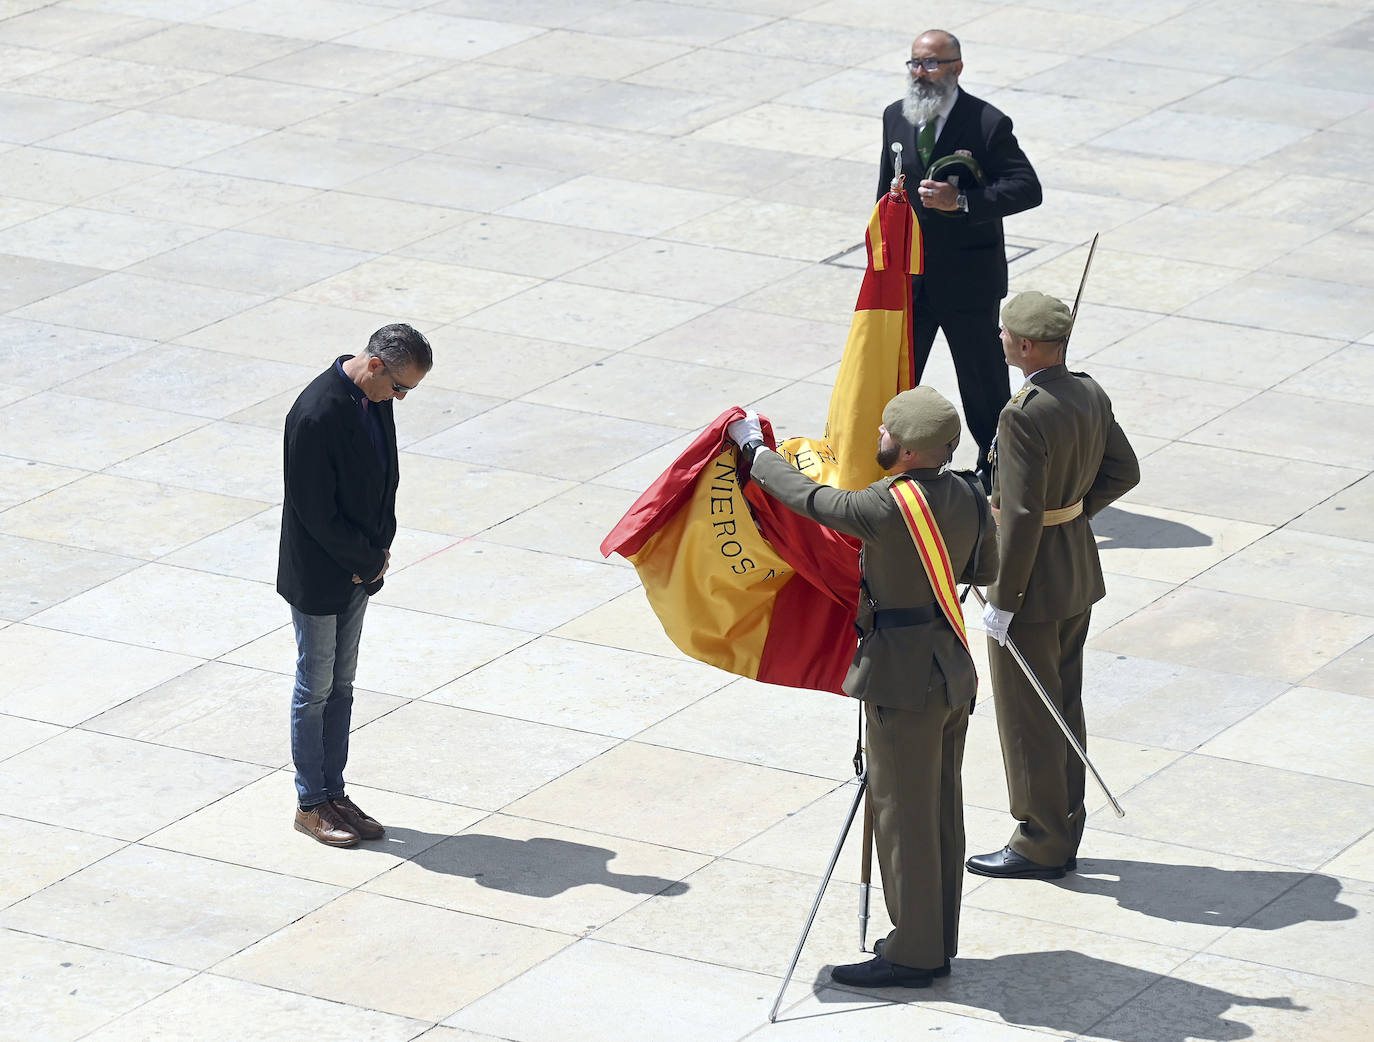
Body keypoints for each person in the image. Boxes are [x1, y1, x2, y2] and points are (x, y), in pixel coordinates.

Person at [727, 387, 997, 988]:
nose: (877, 440)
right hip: (950, 671)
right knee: (941, 812)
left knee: (903, 819)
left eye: (882, 433)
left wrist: (754, 452)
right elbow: (986, 571)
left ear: (901, 450)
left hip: (902, 681)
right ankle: (936, 937)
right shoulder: (969, 496)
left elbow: (811, 499)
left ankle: (913, 955)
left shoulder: (888, 504)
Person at [968, 292, 1139, 880]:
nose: (1001, 340)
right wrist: (1071, 514)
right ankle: (1066, 823)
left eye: (1007, 334)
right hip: (1076, 571)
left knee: (1028, 716)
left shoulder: (1023, 413)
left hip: (1032, 588)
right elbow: (1125, 469)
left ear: (1029, 346)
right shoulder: (1088, 391)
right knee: (1063, 702)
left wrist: (1001, 600)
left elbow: (1016, 518)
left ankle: (1040, 840)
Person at [277, 323, 432, 847]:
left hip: (360, 569)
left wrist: (379, 549)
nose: (401, 399)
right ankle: (310, 802)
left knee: (341, 687)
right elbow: (313, 509)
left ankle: (334, 792)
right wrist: (364, 559)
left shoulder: (375, 398)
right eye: (401, 387)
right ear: (375, 365)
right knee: (314, 688)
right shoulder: (317, 413)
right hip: (323, 574)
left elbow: (384, 477)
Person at [877, 29, 1042, 491]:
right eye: (914, 64)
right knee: (896, 382)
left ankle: (1000, 478)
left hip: (969, 283)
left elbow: (1027, 188)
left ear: (956, 67)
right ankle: (892, 468)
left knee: (984, 388)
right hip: (910, 282)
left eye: (930, 64)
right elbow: (883, 193)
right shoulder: (896, 115)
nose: (920, 73)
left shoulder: (987, 123)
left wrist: (964, 201)